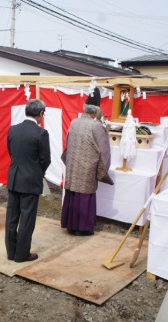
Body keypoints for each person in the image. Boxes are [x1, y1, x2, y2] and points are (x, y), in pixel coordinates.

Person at [61, 87, 113, 236]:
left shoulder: (74, 122)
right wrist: (103, 169)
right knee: (84, 195)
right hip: (87, 167)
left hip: (73, 164)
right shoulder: (96, 126)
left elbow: (68, 142)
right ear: (96, 111)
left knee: (73, 194)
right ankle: (82, 228)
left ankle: (71, 225)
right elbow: (104, 151)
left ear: (84, 108)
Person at [5, 99, 51, 263]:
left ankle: (11, 252)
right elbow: (46, 159)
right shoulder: (41, 133)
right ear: (40, 114)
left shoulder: (13, 130)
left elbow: (11, 152)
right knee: (27, 219)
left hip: (14, 177)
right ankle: (22, 254)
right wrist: (37, 171)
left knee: (11, 217)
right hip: (31, 180)